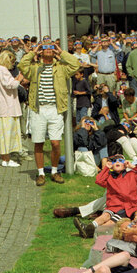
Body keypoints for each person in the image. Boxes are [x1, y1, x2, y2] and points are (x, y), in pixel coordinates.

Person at [19, 41, 81, 185]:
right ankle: (41, 173)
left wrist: (61, 52)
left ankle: (54, 171)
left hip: (56, 109)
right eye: (44, 47)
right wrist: (33, 52)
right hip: (38, 109)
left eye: (51, 47)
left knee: (55, 143)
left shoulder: (61, 67)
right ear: (41, 51)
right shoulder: (34, 67)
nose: (48, 49)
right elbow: (22, 65)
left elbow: (76, 65)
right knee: (39, 142)